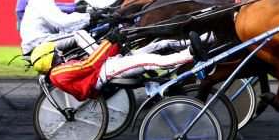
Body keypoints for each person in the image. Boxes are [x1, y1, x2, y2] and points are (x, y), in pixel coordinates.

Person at [30, 30, 210, 101]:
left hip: (106, 67)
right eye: (55, 53)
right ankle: (190, 53)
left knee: (157, 44)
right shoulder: (59, 73)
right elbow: (90, 64)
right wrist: (109, 43)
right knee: (148, 61)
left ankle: (205, 39)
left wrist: (113, 44)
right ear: (49, 59)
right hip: (106, 72)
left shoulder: (58, 72)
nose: (59, 53)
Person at [20, 0, 93, 55]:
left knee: (73, 32)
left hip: (36, 42)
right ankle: (104, 62)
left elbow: (60, 26)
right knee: (80, 35)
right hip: (37, 42)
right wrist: (89, 17)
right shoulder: (42, 0)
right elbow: (63, 22)